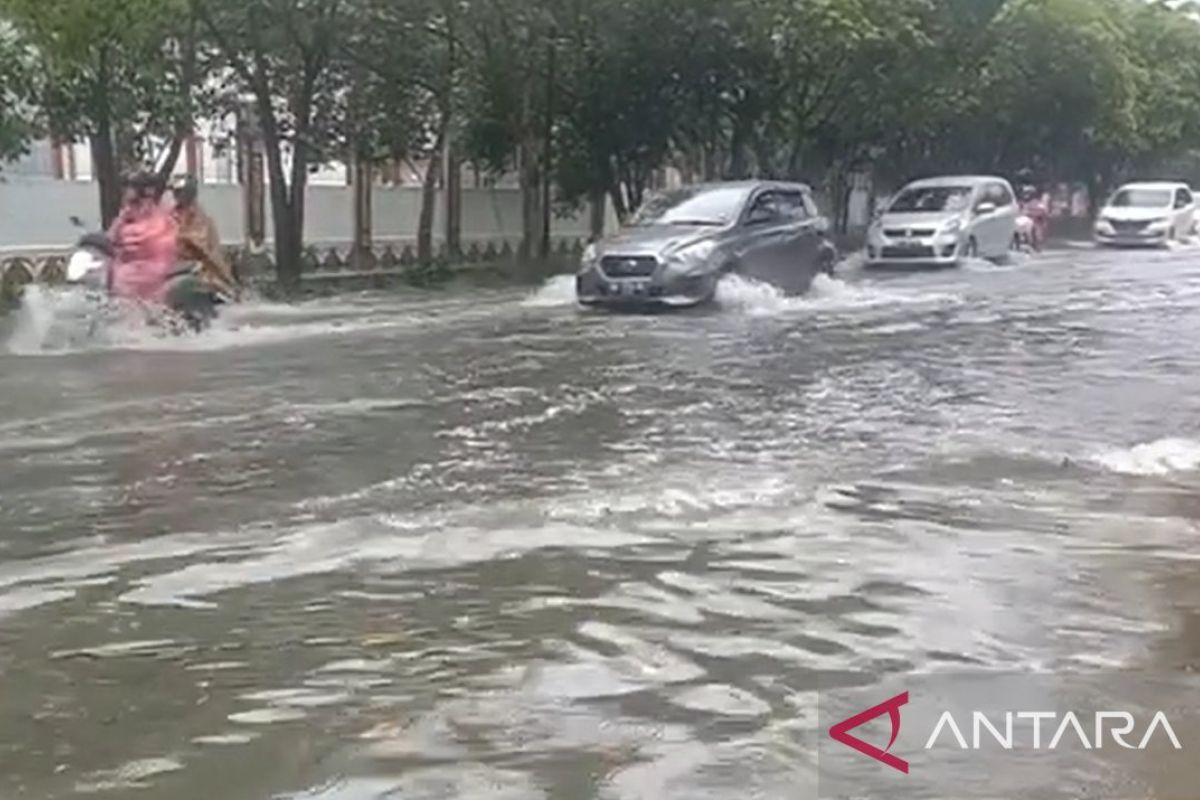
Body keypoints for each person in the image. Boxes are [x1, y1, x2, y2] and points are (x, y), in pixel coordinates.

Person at [107, 171, 179, 304]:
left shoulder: (161, 222)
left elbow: (159, 249)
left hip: (147, 282)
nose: (129, 207)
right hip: (129, 280)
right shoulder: (126, 218)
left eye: (134, 203)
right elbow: (109, 242)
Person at [172, 175, 238, 298]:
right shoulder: (172, 214)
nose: (177, 195)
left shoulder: (200, 216)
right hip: (173, 263)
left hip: (198, 265)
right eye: (176, 192)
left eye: (181, 192)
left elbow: (201, 244)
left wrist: (180, 237)